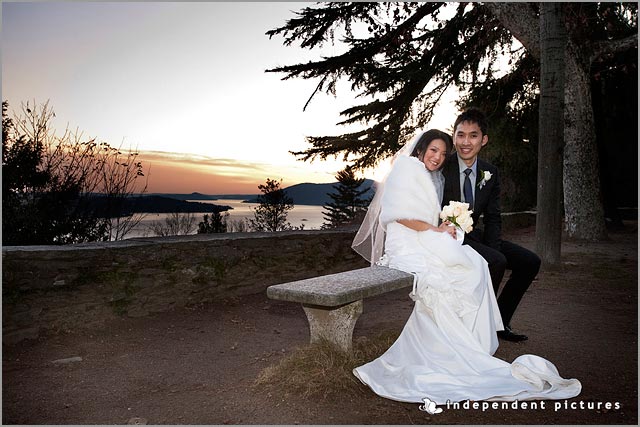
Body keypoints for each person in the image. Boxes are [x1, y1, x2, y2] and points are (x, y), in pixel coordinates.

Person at [351, 128, 581, 404]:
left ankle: (469, 342)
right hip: (407, 243)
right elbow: (400, 216)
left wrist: (443, 226)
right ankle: (449, 346)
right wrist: (436, 230)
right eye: (433, 150)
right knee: (456, 273)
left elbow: (432, 214)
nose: (437, 157)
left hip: (423, 235)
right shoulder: (405, 167)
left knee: (475, 264)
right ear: (421, 148)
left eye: (442, 153)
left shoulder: (429, 174)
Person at [441, 108, 540, 342]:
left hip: (475, 235)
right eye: (461, 135)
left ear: (484, 140)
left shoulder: (490, 172)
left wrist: (494, 247)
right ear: (453, 136)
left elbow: (494, 216)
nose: (466, 142)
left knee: (529, 262)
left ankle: (499, 323)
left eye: (473, 135)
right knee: (496, 261)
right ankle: (478, 328)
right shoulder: (442, 167)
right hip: (446, 237)